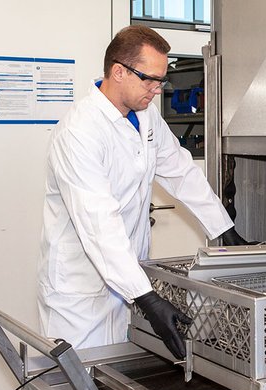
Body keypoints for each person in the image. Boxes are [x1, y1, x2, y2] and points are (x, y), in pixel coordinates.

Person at [36, 25, 248, 361]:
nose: (157, 90)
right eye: (149, 79)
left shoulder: (146, 117)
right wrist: (147, 298)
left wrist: (223, 228)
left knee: (120, 379)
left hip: (130, 275)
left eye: (161, 80)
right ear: (118, 71)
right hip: (80, 289)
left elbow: (180, 171)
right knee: (76, 389)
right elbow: (98, 223)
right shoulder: (79, 132)